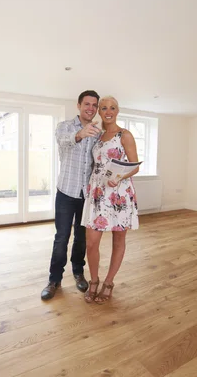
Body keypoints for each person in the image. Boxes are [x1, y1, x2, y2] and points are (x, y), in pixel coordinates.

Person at [41, 90, 102, 300]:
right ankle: (54, 279)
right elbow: (63, 141)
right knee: (61, 237)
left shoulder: (99, 133)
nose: (91, 108)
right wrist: (80, 134)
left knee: (81, 238)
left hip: (87, 195)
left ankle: (78, 272)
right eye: (87, 104)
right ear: (79, 105)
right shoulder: (65, 126)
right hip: (66, 192)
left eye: (94, 105)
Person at [81, 96, 139, 304]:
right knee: (91, 242)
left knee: (118, 240)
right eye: (103, 107)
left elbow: (134, 165)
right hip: (97, 193)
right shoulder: (98, 135)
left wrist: (118, 177)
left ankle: (108, 282)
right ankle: (93, 280)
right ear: (99, 111)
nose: (108, 111)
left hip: (118, 194)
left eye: (112, 108)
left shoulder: (125, 135)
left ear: (118, 110)